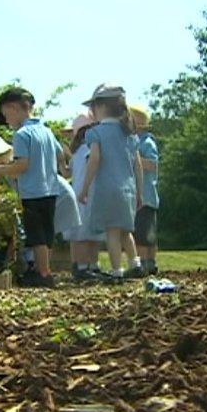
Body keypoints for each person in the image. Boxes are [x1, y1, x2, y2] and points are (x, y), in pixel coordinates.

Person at [0, 87, 64, 288]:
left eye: (6, 116)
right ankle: (47, 270)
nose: (7, 122)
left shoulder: (21, 134)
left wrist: (0, 170)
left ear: (12, 108)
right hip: (51, 189)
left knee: (36, 235)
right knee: (47, 233)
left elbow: (23, 165)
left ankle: (43, 273)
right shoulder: (46, 131)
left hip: (32, 191)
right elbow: (61, 155)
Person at [78, 84, 145, 279]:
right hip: (128, 189)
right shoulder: (129, 134)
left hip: (106, 189)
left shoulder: (96, 133)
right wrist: (139, 193)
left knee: (112, 232)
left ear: (100, 107)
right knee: (125, 229)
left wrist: (84, 188)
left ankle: (117, 271)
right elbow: (138, 166)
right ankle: (135, 263)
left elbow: (95, 160)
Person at [64, 114, 105, 281]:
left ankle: (84, 266)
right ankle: (89, 265)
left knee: (83, 233)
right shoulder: (87, 149)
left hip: (83, 194)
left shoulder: (83, 150)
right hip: (88, 194)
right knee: (88, 233)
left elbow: (71, 172)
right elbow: (70, 172)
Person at [130, 105, 160, 275]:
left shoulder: (146, 142)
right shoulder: (136, 142)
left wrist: (135, 158)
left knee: (144, 234)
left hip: (146, 196)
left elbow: (152, 164)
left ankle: (145, 262)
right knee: (145, 231)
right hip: (141, 196)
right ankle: (148, 262)